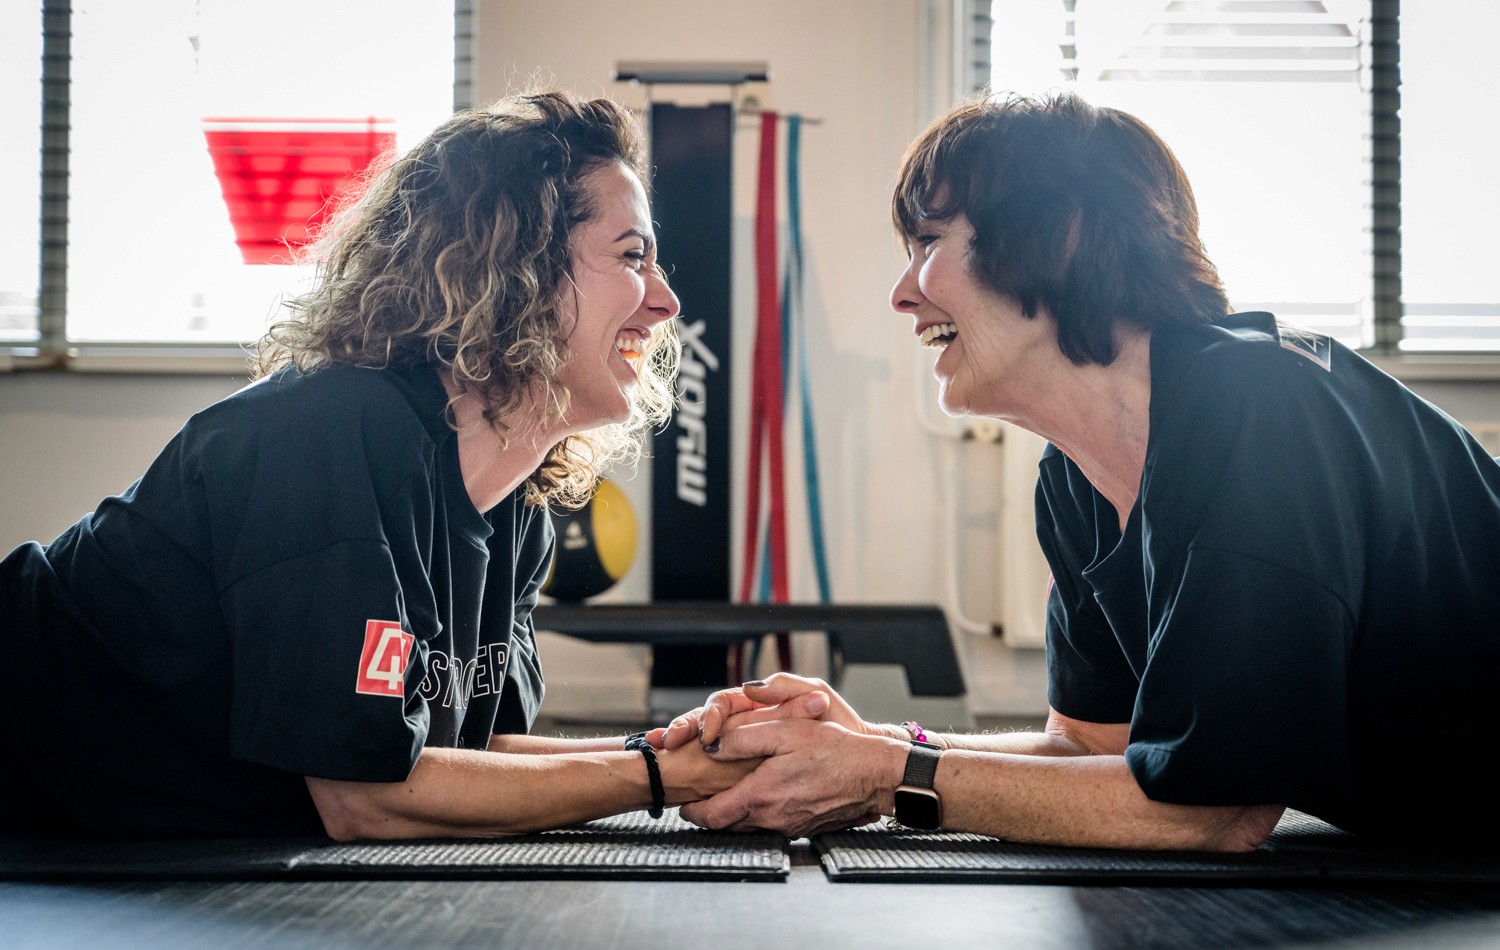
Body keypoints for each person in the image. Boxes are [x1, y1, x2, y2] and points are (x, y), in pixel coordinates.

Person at [662, 90, 1500, 851]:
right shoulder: (1075, 478)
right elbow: (1089, 747)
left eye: (927, 242)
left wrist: (883, 777)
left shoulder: (1252, 407)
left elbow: (1217, 810)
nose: (901, 295)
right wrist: (877, 746)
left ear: (1058, 237)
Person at [0, 89, 752, 840]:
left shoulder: (520, 507)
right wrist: (666, 777)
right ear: (514, 269)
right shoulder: (324, 436)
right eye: (633, 257)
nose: (667, 300)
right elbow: (364, 794)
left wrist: (690, 750)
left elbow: (463, 756)